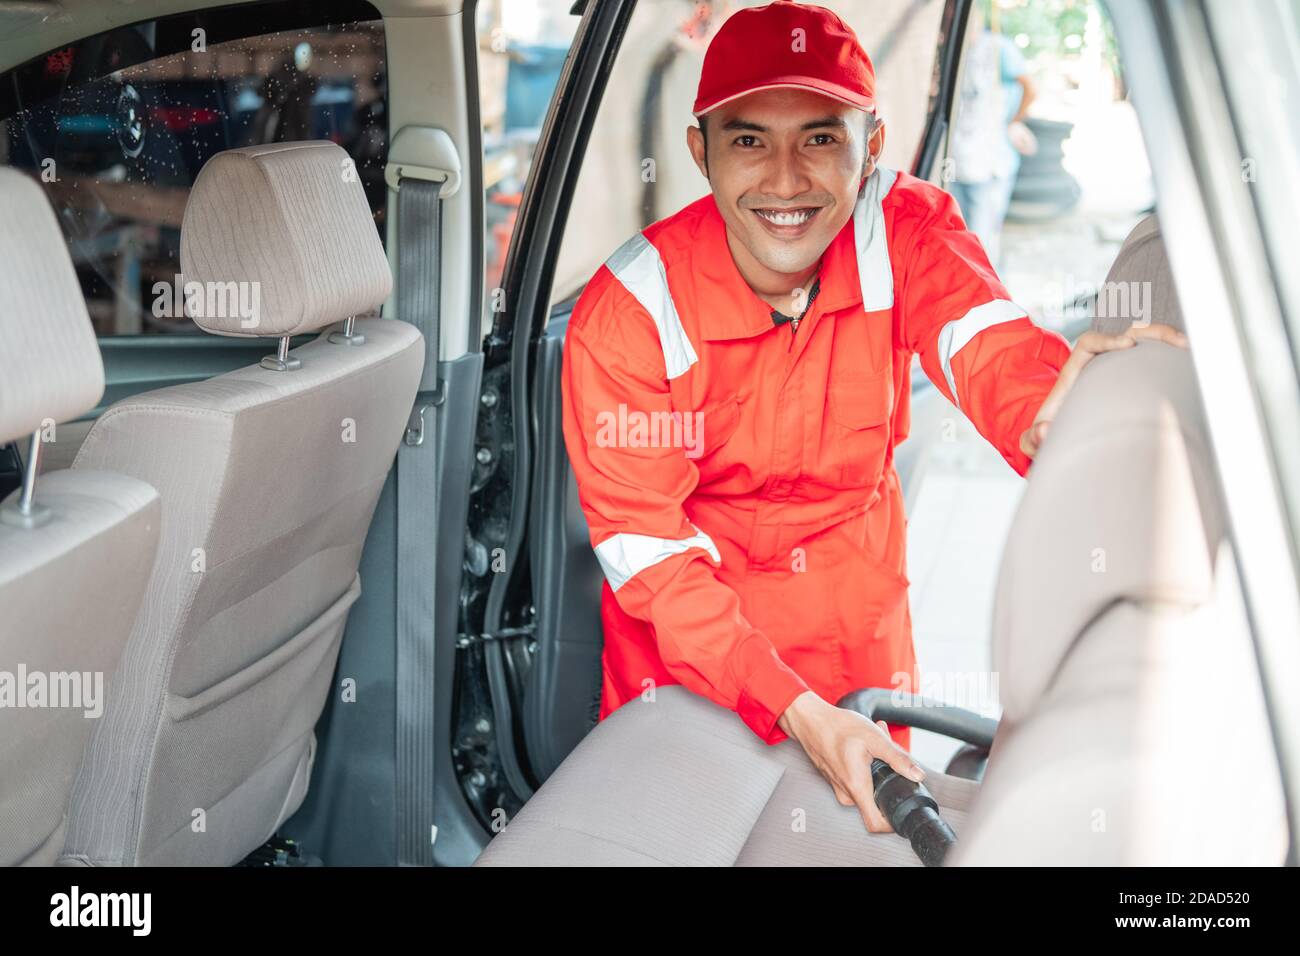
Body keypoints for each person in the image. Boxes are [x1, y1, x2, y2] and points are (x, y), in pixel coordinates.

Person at [560, 1, 1184, 834]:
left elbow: (987, 343)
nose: (785, 179)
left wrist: (1060, 418)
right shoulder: (629, 312)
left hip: (859, 636)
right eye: (750, 139)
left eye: (821, 136)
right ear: (699, 150)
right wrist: (797, 708)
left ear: (873, 147)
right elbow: (656, 565)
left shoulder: (905, 231)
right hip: (690, 672)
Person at [949, 15, 1038, 266]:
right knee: (960, 238)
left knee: (983, 243)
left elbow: (1031, 88)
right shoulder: (955, 50)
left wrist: (1014, 121)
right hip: (959, 159)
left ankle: (992, 299)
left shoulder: (998, 49)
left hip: (990, 161)